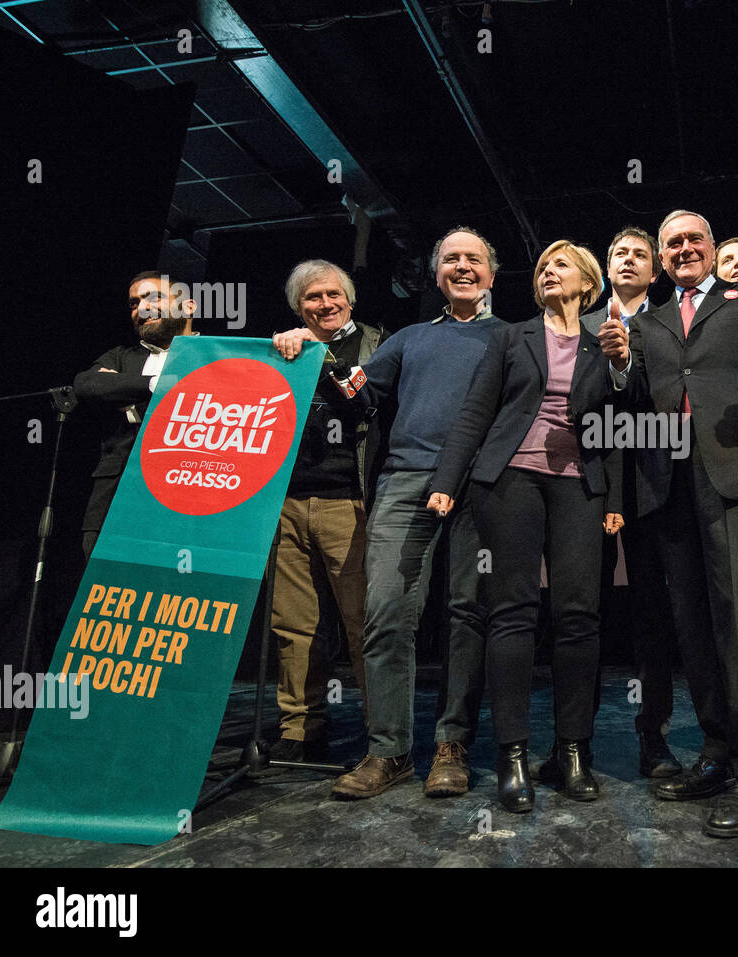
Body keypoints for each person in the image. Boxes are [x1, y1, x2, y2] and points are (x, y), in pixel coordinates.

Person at [599, 209, 738, 837]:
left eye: (695, 239)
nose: (684, 249)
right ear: (663, 259)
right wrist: (618, 366)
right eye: (673, 244)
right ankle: (718, 753)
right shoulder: (652, 321)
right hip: (670, 486)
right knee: (693, 625)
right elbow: (633, 399)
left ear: (713, 247)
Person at [276, 227, 504, 800]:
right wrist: (306, 349)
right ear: (436, 274)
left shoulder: (512, 337)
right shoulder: (406, 339)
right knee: (384, 616)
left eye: (472, 259)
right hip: (405, 483)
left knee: (466, 617)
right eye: (450, 258)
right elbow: (356, 397)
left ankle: (452, 747)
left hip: (482, 485)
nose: (461, 267)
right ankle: (389, 751)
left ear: (492, 274)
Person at [427, 240, 623, 813]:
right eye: (541, 267)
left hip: (579, 485)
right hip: (509, 478)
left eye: (559, 265)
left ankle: (572, 753)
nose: (546, 273)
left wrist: (609, 492)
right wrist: (446, 479)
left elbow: (617, 419)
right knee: (511, 612)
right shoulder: (509, 337)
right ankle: (511, 755)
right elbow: (475, 412)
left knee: (579, 615)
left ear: (588, 282)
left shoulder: (604, 341)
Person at [265, 260, 386, 762]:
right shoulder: (281, 351)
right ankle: (300, 726)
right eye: (313, 297)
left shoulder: (377, 343)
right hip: (285, 504)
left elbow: (377, 403)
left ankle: (383, 731)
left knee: (365, 621)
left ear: (350, 302)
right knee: (294, 624)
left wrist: (330, 363)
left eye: (334, 295)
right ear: (299, 307)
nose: (325, 304)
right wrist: (280, 355)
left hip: (350, 503)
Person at [577, 226, 681, 778]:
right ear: (606, 263)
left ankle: (654, 738)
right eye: (620, 252)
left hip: (652, 482)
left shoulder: (670, 325)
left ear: (655, 269)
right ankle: (576, 741)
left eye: (641, 254)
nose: (630, 260)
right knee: (582, 611)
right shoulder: (579, 324)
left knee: (651, 613)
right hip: (587, 484)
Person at [74, 272, 196, 559]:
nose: (141, 309)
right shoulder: (121, 356)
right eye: (133, 304)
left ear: (189, 307)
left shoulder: (216, 355)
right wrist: (154, 385)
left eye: (153, 298)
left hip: (186, 495)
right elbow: (87, 384)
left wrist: (124, 392)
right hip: (116, 495)